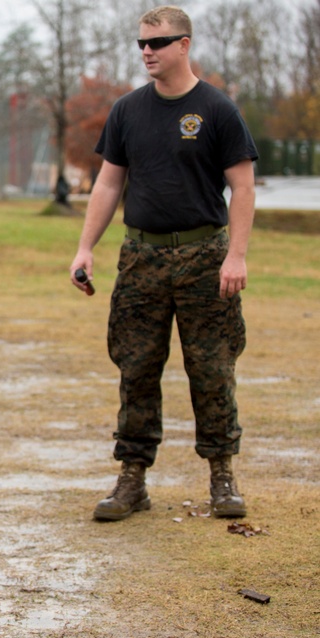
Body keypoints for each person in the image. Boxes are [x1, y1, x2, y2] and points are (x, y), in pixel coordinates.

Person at [70, 6, 258, 521]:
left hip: (205, 257)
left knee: (213, 369)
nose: (148, 52)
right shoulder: (128, 110)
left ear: (185, 45)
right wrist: (86, 248)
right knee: (136, 368)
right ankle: (132, 480)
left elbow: (242, 187)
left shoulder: (218, 109)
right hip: (141, 258)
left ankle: (222, 476)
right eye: (142, 44)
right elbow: (109, 183)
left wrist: (236, 256)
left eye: (159, 42)